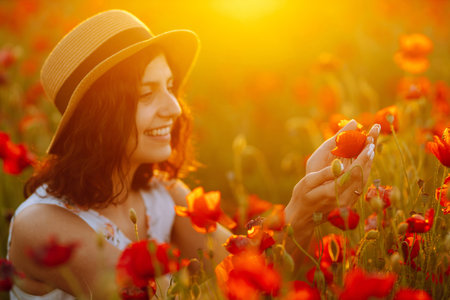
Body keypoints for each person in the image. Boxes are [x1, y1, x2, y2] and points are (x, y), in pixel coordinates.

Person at [7, 9, 380, 300]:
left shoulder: (159, 191)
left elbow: (248, 273)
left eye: (169, 86)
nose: (173, 107)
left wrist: (309, 202)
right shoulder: (41, 226)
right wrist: (295, 212)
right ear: (98, 116)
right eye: (146, 93)